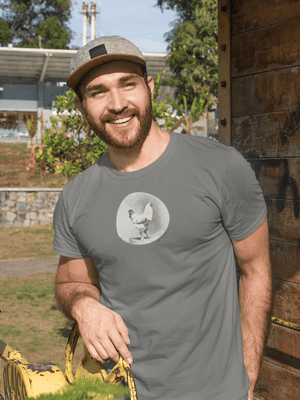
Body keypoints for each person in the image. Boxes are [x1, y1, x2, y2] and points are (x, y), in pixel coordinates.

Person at [53, 36, 272, 400]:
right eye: (98, 92)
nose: (117, 104)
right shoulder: (76, 196)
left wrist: (247, 376)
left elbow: (256, 269)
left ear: (149, 87)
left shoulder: (221, 167)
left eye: (128, 84)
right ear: (82, 106)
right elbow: (69, 283)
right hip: (122, 392)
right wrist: (83, 305)